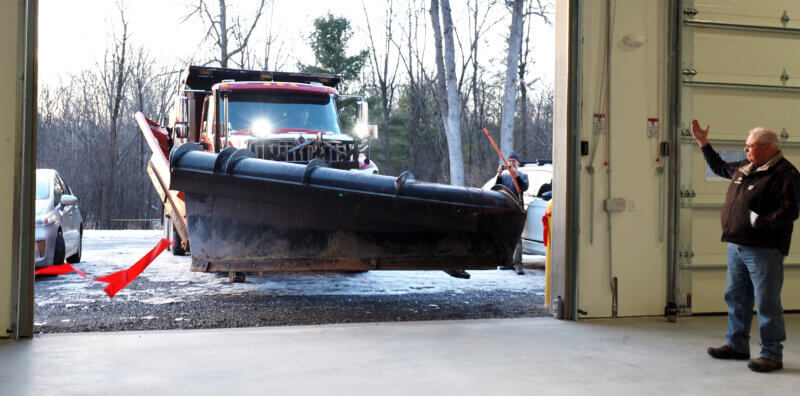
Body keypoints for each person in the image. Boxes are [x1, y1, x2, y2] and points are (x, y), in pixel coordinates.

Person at [691, 119, 800, 373]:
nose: (745, 150)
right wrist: (703, 143)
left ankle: (772, 354)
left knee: (766, 302)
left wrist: (762, 223)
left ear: (766, 147)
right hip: (737, 246)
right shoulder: (747, 167)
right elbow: (719, 167)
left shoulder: (786, 173)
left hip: (764, 249)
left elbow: (790, 209)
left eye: (749, 146)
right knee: (736, 297)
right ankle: (737, 345)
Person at [495, 152, 529, 275]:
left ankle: (518, 264)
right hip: (506, 208)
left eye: (514, 160)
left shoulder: (523, 175)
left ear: (518, 163)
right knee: (507, 236)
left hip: (517, 209)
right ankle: (508, 262)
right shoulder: (504, 176)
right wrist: (499, 175)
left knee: (517, 237)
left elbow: (523, 187)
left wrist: (516, 176)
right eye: (510, 161)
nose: (511, 163)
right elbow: (497, 188)